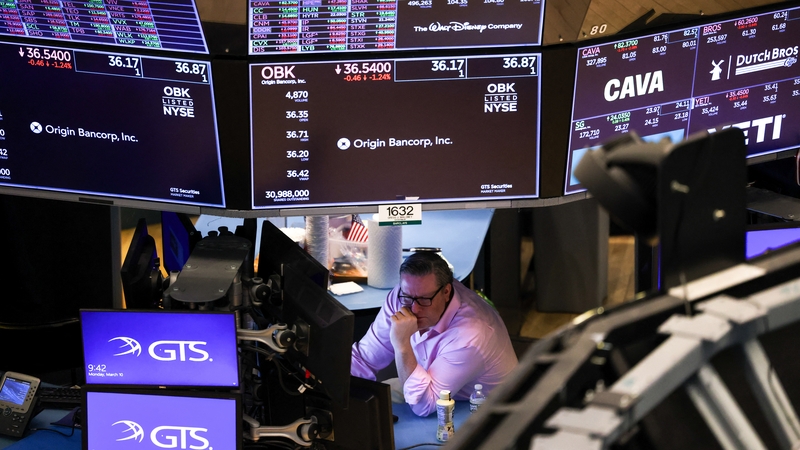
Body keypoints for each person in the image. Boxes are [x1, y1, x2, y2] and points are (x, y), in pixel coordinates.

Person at [351, 251, 518, 416]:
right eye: (408, 297)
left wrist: (402, 345)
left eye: (424, 299)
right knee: (367, 402)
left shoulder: (470, 336)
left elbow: (424, 406)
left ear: (446, 292)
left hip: (480, 410)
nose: (414, 309)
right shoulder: (404, 295)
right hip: (430, 386)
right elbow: (363, 358)